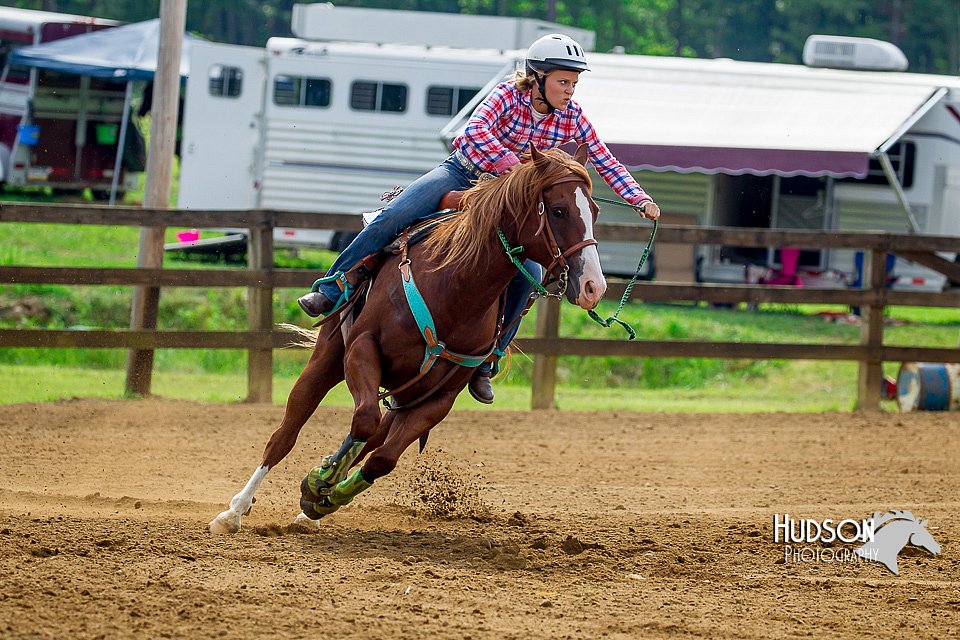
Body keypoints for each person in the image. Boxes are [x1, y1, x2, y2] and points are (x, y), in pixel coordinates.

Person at [298, 33, 660, 404]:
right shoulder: (507, 95)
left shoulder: (574, 117)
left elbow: (604, 159)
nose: (570, 90)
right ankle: (332, 288)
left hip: (508, 199)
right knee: (395, 215)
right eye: (563, 82)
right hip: (462, 173)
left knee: (530, 275)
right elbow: (474, 132)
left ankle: (487, 360)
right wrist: (515, 169)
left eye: (574, 83)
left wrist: (639, 198)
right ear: (537, 77)